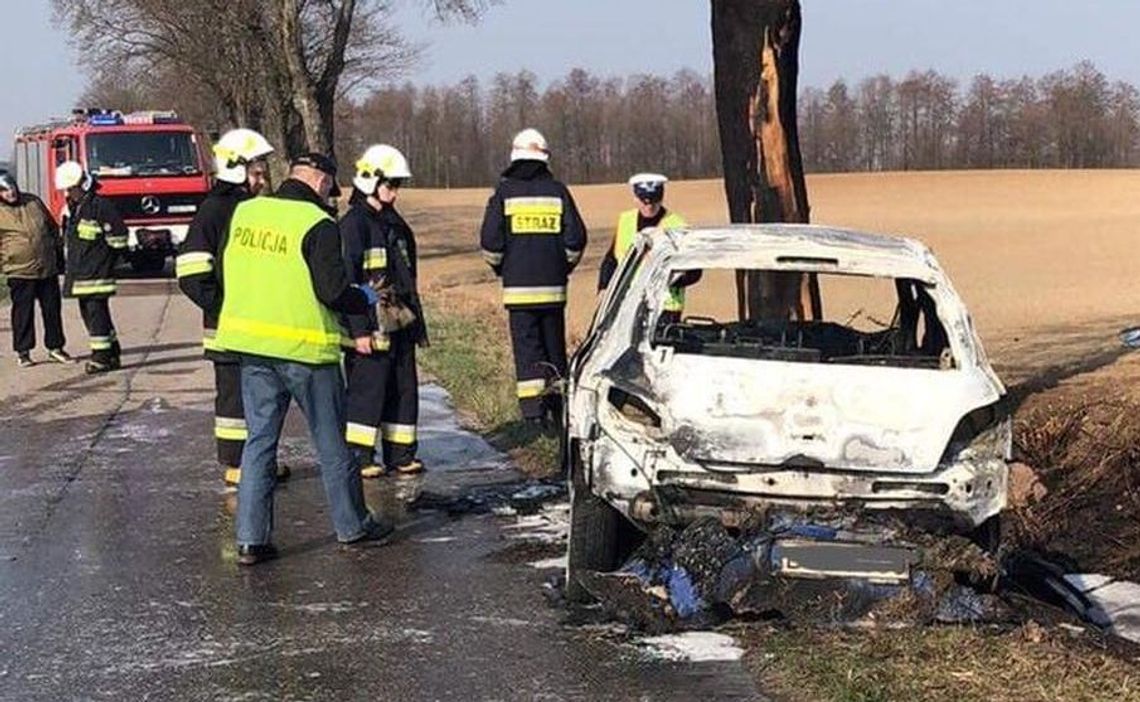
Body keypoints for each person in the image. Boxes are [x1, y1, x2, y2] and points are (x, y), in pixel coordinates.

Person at [214, 152, 391, 565]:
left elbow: (225, 273)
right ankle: (353, 526)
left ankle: (250, 541)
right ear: (318, 179)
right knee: (331, 443)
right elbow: (332, 290)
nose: (334, 193)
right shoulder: (318, 224)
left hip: (253, 348)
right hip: (306, 352)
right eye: (331, 184)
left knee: (259, 443)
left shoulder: (246, 213)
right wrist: (363, 296)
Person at [177, 128, 290, 489]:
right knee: (233, 399)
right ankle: (237, 465)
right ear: (236, 170)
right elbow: (191, 273)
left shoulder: (249, 208)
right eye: (257, 173)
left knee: (258, 398)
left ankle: (256, 461)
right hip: (228, 328)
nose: (262, 180)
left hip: (254, 326)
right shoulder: (215, 210)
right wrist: (226, 308)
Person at [479, 129, 587, 428]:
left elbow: (490, 243)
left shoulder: (503, 193)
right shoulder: (558, 191)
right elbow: (576, 239)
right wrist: (561, 267)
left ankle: (532, 415)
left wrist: (503, 269)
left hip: (518, 292)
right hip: (554, 291)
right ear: (544, 157)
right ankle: (558, 410)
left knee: (527, 351)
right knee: (554, 347)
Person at [341, 144, 429, 478]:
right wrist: (358, 331)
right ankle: (361, 457)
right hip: (369, 327)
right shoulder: (353, 227)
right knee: (368, 392)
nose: (395, 193)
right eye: (390, 185)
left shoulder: (396, 225)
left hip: (400, 322)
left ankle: (401, 454)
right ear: (369, 181)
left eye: (397, 186)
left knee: (404, 389)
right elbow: (347, 284)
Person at [56, 161, 127, 374]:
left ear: (83, 185)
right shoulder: (77, 208)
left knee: (97, 317)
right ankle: (112, 351)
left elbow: (119, 237)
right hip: (82, 274)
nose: (68, 193)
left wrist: (106, 260)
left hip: (97, 273)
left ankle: (101, 358)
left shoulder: (100, 206)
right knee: (95, 315)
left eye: (71, 189)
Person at [597, 173, 694, 324]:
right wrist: (603, 288)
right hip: (629, 302)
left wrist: (674, 278)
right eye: (644, 200)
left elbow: (695, 271)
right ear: (635, 198)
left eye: (654, 200)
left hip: (665, 307)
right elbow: (611, 259)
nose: (649, 206)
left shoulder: (677, 225)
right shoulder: (625, 221)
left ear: (662, 197)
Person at [0, 170, 72, 367]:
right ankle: (23, 351)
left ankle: (55, 348)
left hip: (46, 267)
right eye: (5, 191)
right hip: (19, 270)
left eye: (12, 189)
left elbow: (51, 227)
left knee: (52, 310)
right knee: (23, 313)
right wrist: (6, 261)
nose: (10, 194)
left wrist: (58, 254)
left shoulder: (33, 201)